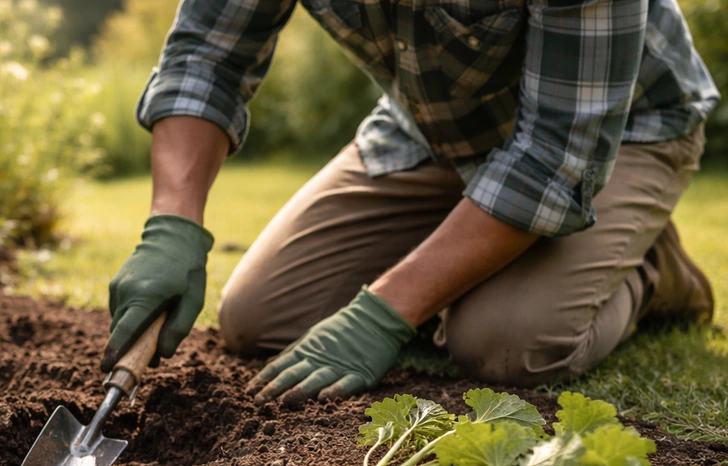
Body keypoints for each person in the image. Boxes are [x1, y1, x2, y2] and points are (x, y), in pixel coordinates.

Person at [101, 0, 719, 406]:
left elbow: (557, 155)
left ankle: (648, 265)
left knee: (504, 343)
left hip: (617, 133)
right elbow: (209, 59)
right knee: (260, 319)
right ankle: (492, 248)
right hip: (435, 130)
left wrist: (384, 313)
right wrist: (172, 224)